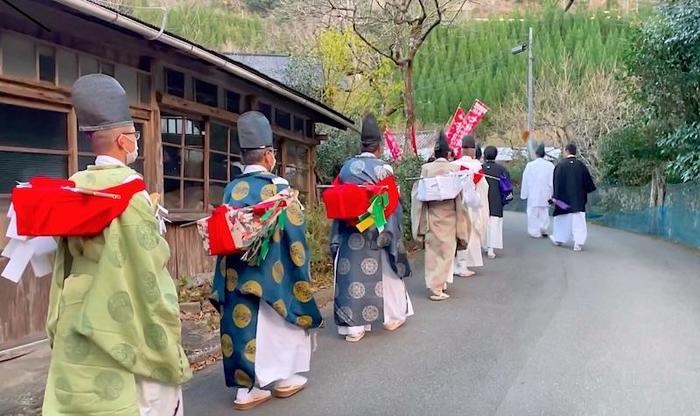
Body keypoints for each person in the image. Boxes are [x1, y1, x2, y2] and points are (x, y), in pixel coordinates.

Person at [42, 74, 191, 415]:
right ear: (124, 142)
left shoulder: (75, 188)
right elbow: (148, 266)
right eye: (134, 136)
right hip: (120, 308)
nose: (136, 142)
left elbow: (63, 258)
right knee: (144, 397)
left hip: (77, 307)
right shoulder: (130, 194)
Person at [210, 111, 323, 410]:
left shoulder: (232, 189)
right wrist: (300, 267)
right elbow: (296, 235)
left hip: (237, 274)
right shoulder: (280, 188)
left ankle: (245, 391)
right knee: (279, 325)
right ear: (269, 155)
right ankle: (284, 380)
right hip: (272, 275)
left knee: (243, 326)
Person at [330, 113, 414, 342]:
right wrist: (391, 234)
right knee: (387, 273)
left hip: (349, 232)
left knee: (350, 276)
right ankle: (392, 318)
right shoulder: (384, 170)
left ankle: (353, 328)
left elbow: (337, 200)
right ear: (379, 146)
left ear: (361, 144)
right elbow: (393, 206)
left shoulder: (346, 169)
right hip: (376, 231)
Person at [411, 131, 470, 301]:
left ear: (434, 154)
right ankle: (437, 288)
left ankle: (437, 284)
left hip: (431, 215)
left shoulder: (426, 169)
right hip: (449, 216)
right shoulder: (454, 168)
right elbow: (460, 197)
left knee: (433, 253)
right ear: (448, 153)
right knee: (446, 253)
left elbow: (418, 193)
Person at [451, 135, 489, 277]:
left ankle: (455, 265)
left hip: (455, 206)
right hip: (471, 207)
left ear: (462, 149)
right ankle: (463, 265)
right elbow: (482, 188)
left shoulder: (453, 165)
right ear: (473, 150)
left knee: (456, 235)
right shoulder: (476, 166)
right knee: (468, 235)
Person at [550, 143, 597, 251]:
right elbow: (588, 183)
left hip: (563, 201)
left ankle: (559, 239)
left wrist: (555, 197)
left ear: (566, 151)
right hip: (578, 200)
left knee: (562, 220)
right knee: (579, 221)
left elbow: (556, 183)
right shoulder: (581, 165)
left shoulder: (560, 166)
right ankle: (578, 243)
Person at [481, 146, 511, 259]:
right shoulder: (502, 169)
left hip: (482, 200)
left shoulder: (480, 168)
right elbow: (507, 187)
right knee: (494, 225)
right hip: (496, 200)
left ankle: (483, 245)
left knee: (483, 223)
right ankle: (491, 249)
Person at [520, 143, 555, 238]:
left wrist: (524, 194)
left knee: (532, 212)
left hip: (533, 192)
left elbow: (525, 180)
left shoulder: (530, 165)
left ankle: (534, 231)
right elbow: (552, 181)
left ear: (536, 154)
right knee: (544, 211)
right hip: (546, 192)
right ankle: (543, 228)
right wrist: (553, 193)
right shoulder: (550, 165)